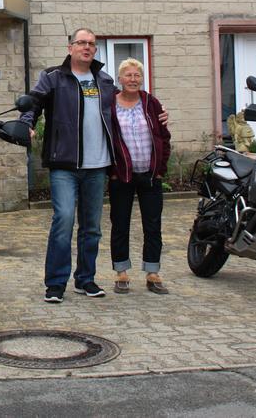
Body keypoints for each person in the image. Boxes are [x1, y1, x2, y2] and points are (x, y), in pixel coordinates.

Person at [21, 28, 115, 303]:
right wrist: (27, 123)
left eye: (91, 44)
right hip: (64, 163)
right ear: (70, 47)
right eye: (81, 43)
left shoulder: (105, 80)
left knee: (92, 227)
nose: (87, 47)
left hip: (97, 165)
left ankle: (85, 280)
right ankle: (55, 283)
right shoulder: (53, 77)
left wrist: (156, 115)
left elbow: (125, 106)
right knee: (63, 220)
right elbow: (33, 102)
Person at [109, 57, 172, 295]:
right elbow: (106, 139)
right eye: (128, 75)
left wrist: (160, 170)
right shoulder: (110, 104)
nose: (133, 79)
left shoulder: (151, 103)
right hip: (122, 176)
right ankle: (121, 272)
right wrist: (112, 172)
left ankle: (153, 272)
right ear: (120, 78)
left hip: (150, 175)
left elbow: (164, 137)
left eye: (137, 75)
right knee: (120, 224)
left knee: (153, 225)